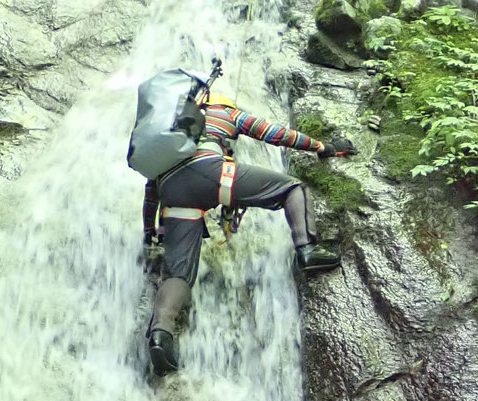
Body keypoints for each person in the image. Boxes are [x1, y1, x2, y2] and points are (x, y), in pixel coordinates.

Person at [128, 64, 355, 378]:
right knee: (292, 188)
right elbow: (275, 135)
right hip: (213, 174)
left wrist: (149, 233)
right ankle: (308, 251)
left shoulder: (171, 139)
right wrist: (323, 147)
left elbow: (151, 191)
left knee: (178, 273)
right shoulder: (225, 112)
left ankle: (160, 337)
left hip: (174, 194)